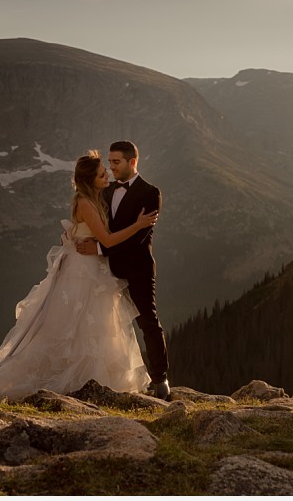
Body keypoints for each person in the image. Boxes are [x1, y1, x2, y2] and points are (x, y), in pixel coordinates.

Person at [0, 150, 158, 400]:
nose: (108, 175)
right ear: (91, 179)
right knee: (79, 323)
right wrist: (138, 225)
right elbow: (108, 240)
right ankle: (75, 375)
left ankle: (93, 376)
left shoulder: (95, 197)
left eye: (109, 169)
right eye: (103, 173)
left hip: (92, 267)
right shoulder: (84, 202)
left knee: (94, 323)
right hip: (83, 272)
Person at [76, 141, 170, 400]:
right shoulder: (105, 190)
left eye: (116, 162)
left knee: (148, 322)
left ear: (132, 162)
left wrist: (99, 249)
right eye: (109, 162)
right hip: (106, 271)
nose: (111, 167)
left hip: (137, 269)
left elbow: (139, 237)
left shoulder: (151, 193)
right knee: (105, 324)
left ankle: (161, 379)